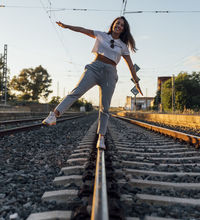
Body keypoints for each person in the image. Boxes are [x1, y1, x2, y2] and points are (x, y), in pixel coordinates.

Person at [42, 16, 143, 149]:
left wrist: (136, 82)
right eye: (117, 23)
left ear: (124, 29)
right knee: (76, 92)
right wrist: (67, 26)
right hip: (94, 68)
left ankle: (101, 138)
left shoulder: (123, 46)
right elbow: (82, 30)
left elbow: (130, 65)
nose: (119, 26)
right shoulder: (101, 35)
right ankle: (53, 115)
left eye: (122, 25)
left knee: (104, 107)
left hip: (110, 74)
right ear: (113, 24)